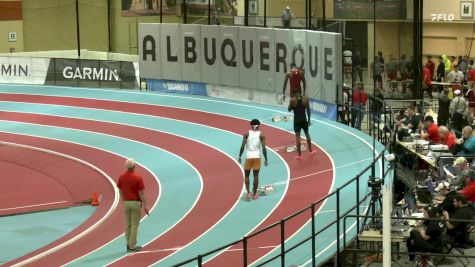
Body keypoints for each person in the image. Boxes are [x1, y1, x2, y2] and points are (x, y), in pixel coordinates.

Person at [117, 158, 148, 253]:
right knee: (134, 225)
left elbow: (120, 190)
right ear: (134, 166)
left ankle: (128, 243)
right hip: (135, 203)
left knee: (128, 224)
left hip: (126, 202)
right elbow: (141, 193)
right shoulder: (137, 177)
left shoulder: (121, 177)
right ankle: (132, 246)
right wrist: (145, 205)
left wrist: (123, 200)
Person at [238, 119, 268, 201]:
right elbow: (264, 148)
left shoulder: (246, 134)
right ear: (259, 125)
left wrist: (240, 156)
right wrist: (266, 159)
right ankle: (254, 195)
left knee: (247, 175)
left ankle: (248, 193)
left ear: (251, 125)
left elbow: (242, 146)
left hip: (248, 156)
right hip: (257, 156)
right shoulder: (261, 135)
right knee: (256, 176)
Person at [288, 93, 316, 159]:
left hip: (297, 120)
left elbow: (289, 109)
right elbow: (308, 110)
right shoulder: (305, 99)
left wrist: (291, 105)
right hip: (303, 119)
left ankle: (299, 155)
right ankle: (311, 151)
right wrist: (309, 120)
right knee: (307, 133)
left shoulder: (292, 100)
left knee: (298, 136)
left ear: (294, 93)